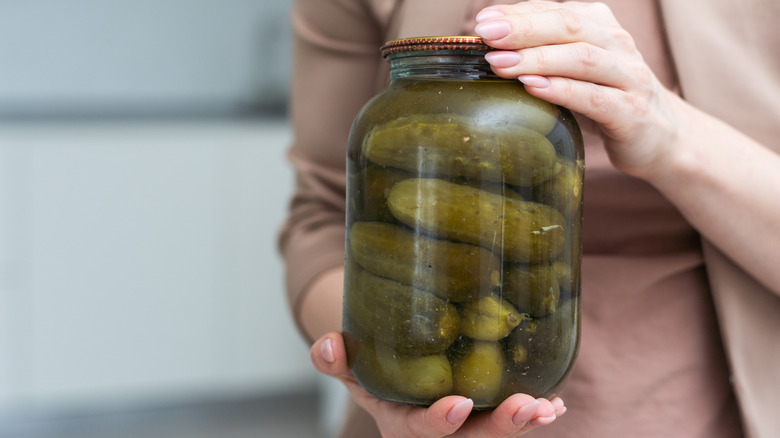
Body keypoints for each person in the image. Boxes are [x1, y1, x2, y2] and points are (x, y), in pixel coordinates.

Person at [278, 1, 780, 437]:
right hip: (411, 424)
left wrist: (669, 134)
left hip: (705, 414)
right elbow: (321, 215)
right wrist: (374, 358)